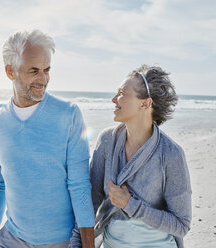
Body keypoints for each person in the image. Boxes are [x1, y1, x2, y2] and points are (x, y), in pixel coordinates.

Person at [0, 30, 95, 248]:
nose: (43, 79)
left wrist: (88, 245)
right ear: (10, 72)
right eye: (34, 71)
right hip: (11, 239)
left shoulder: (68, 114)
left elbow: (80, 184)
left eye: (47, 70)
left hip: (61, 241)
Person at [70, 65, 192, 248]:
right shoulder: (106, 141)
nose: (113, 99)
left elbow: (181, 225)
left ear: (145, 103)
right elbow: (91, 200)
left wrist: (130, 204)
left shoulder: (171, 154)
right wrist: (76, 243)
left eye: (122, 93)